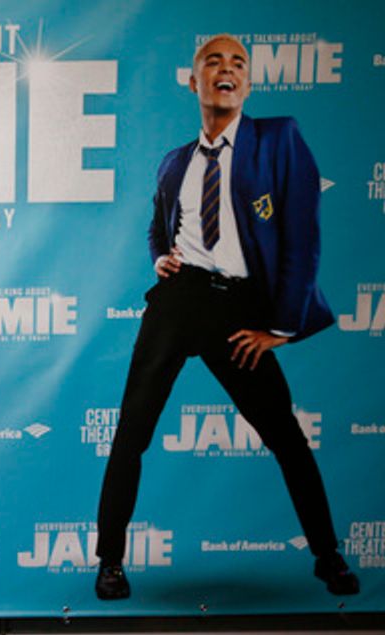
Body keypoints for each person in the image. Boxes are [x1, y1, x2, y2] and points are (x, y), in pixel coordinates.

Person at [94, 34, 357, 601]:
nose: (227, 69)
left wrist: (282, 328)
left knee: (285, 437)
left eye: (238, 62)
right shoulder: (174, 162)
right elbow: (159, 225)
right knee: (131, 433)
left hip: (238, 308)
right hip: (178, 302)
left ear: (249, 84)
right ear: (194, 81)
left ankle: (328, 556)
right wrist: (160, 256)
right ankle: (110, 562)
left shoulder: (278, 139)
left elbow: (301, 237)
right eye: (214, 61)